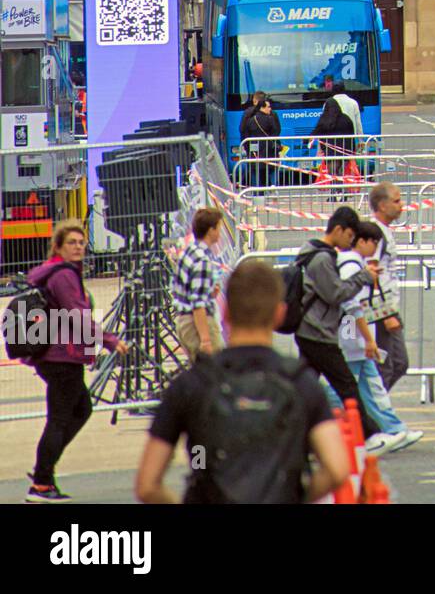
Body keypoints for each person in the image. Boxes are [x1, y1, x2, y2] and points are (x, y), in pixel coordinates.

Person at [134, 259, 350, 504]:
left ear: (226, 312)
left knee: (200, 460)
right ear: (279, 314)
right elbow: (337, 468)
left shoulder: (193, 383)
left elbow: (147, 486)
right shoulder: (301, 382)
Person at [23, 222, 128, 503]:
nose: (78, 246)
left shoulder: (56, 272)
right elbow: (77, 315)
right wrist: (109, 340)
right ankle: (42, 483)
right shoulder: (64, 275)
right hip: (61, 356)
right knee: (60, 418)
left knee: (81, 409)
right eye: (71, 242)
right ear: (58, 247)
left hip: (55, 355)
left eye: (82, 242)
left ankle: (44, 471)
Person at [293, 206, 403, 456]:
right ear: (339, 229)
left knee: (305, 386)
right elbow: (337, 294)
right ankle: (370, 435)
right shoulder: (321, 258)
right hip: (318, 332)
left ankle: (293, 433)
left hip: (314, 330)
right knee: (346, 386)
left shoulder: (316, 252)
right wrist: (363, 277)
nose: (350, 243)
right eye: (349, 236)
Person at [330, 221, 423, 451]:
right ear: (362, 241)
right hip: (353, 336)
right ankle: (324, 428)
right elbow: (352, 306)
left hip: (358, 337)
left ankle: (394, 429)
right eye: (373, 244)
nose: (375, 250)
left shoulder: (357, 264)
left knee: (372, 388)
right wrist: (365, 340)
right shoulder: (352, 266)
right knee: (342, 389)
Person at [171, 207, 225, 362]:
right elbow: (197, 304)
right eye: (219, 228)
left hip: (184, 322)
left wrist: (209, 293)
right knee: (214, 374)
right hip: (197, 324)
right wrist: (206, 339)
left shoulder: (188, 252)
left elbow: (183, 289)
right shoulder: (202, 260)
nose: (220, 233)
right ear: (211, 230)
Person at [368, 182, 409, 392]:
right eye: (396, 201)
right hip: (380, 312)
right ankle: (371, 413)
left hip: (388, 307)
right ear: (382, 205)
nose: (402, 205)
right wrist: (385, 315)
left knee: (397, 364)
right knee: (389, 366)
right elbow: (370, 275)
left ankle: (374, 411)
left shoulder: (384, 231)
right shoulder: (374, 234)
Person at [239, 92, 280, 186]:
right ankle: (273, 193)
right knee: (272, 172)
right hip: (270, 150)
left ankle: (256, 195)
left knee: (255, 173)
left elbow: (243, 130)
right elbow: (277, 131)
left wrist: (247, 147)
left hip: (254, 150)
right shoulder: (272, 115)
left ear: (255, 101)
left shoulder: (248, 114)